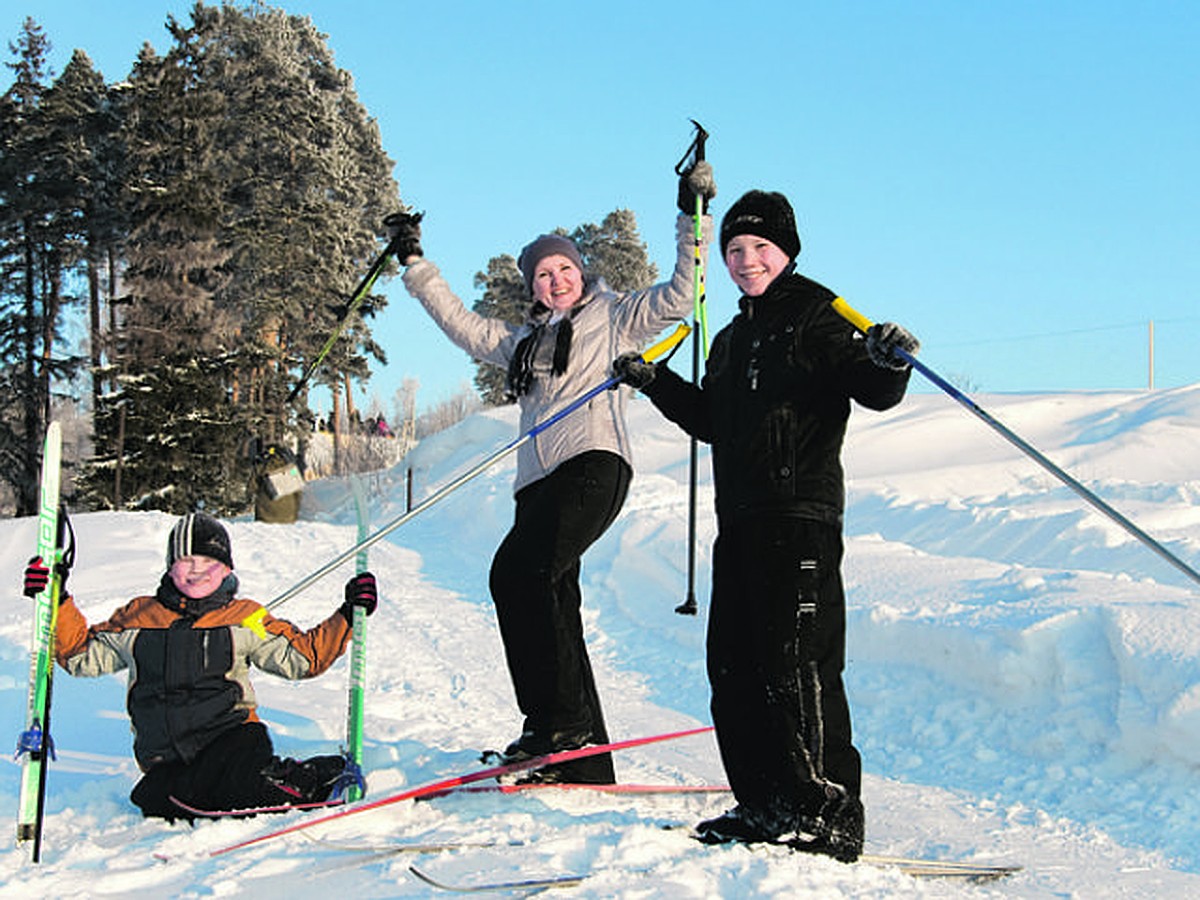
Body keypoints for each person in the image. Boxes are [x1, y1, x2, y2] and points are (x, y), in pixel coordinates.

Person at [612, 189, 919, 861]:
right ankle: (765, 801)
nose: (746, 261)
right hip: (742, 519)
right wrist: (653, 381)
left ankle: (827, 811)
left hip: (800, 516)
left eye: (759, 248)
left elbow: (875, 389)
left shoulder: (818, 313)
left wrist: (888, 356)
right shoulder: (730, 338)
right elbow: (714, 423)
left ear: (786, 251)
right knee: (737, 667)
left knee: (798, 668)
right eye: (734, 250)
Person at [387, 160, 716, 784]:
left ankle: (555, 726)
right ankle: (585, 758)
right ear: (533, 287)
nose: (556, 280)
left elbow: (682, 294)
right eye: (544, 274)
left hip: (593, 462)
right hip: (536, 483)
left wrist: (689, 216)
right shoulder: (523, 343)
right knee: (552, 601)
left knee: (517, 574)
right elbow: (460, 323)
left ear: (580, 272)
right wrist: (414, 264)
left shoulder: (616, 315)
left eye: (564, 268)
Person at [21, 511, 379, 820]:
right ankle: (253, 788)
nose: (198, 571)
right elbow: (80, 655)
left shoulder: (244, 618)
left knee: (242, 787)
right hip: (166, 758)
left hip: (232, 740)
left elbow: (302, 658)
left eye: (210, 563)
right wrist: (56, 599)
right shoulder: (141, 616)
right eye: (187, 561)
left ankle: (316, 779)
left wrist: (348, 614)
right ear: (170, 566)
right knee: (157, 800)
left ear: (226, 570)